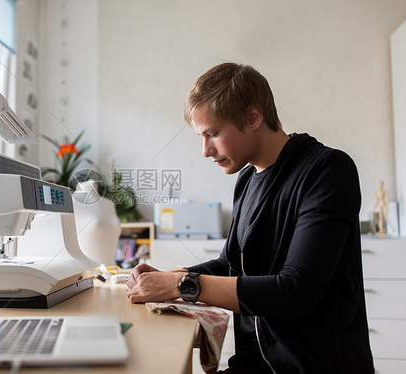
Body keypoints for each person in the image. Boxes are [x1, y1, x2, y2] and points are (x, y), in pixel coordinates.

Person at [126, 63, 374, 373]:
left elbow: (297, 293)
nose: (205, 151)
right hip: (258, 363)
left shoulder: (327, 170)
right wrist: (164, 277)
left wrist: (180, 284)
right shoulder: (247, 180)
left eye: (213, 134)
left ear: (253, 117)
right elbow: (231, 264)